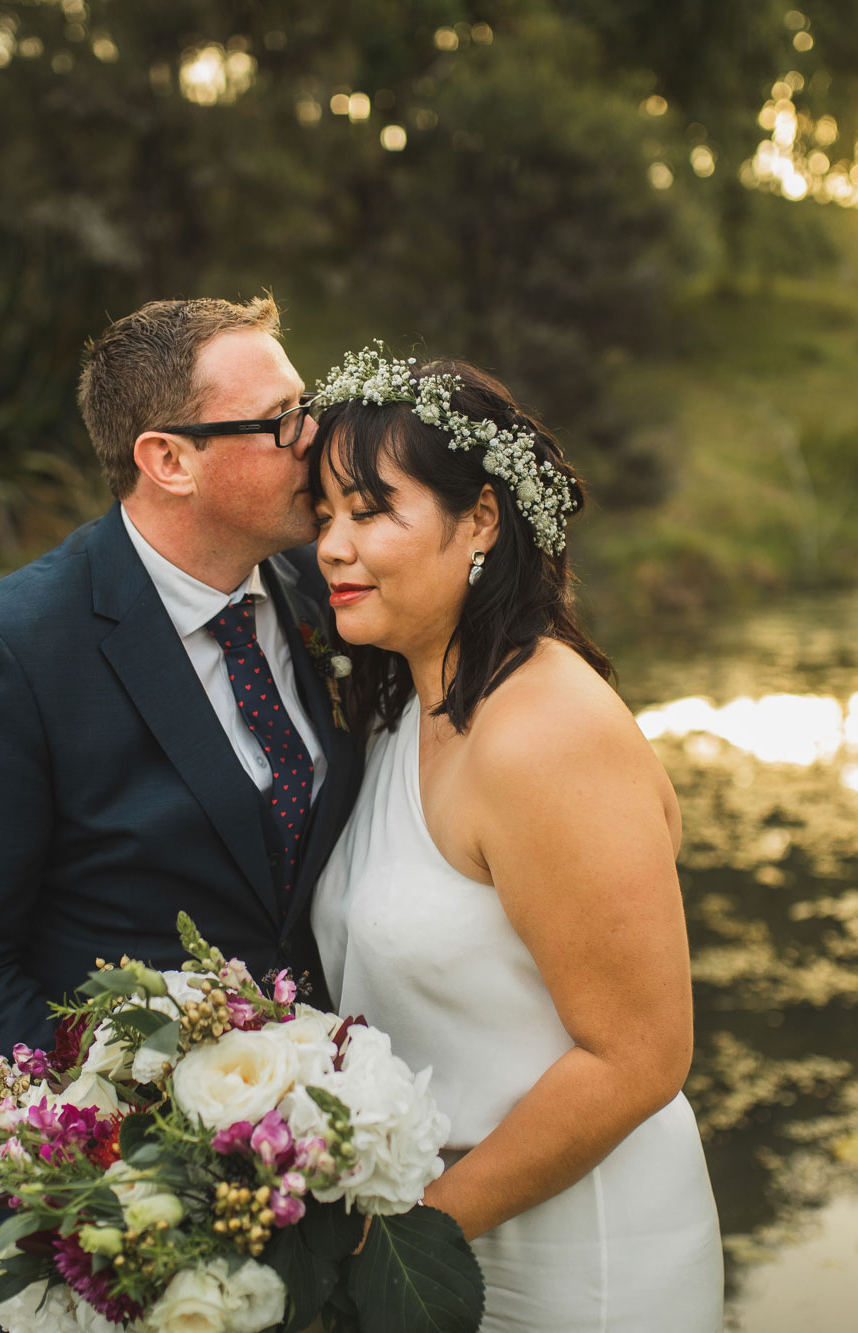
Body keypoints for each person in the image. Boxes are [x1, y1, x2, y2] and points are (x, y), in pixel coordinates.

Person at [0, 296, 364, 1328]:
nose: (316, 439)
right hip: (79, 1206)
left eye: (311, 405)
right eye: (280, 420)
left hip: (291, 1181)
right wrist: (150, 1119)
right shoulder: (6, 652)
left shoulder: (328, 593)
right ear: (169, 459)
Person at [308, 349, 725, 1331]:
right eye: (321, 513)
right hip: (450, 1237)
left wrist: (404, 1241)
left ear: (481, 520)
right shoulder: (407, 703)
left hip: (579, 1258)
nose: (330, 543)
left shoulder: (546, 734)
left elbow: (636, 1056)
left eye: (369, 510)